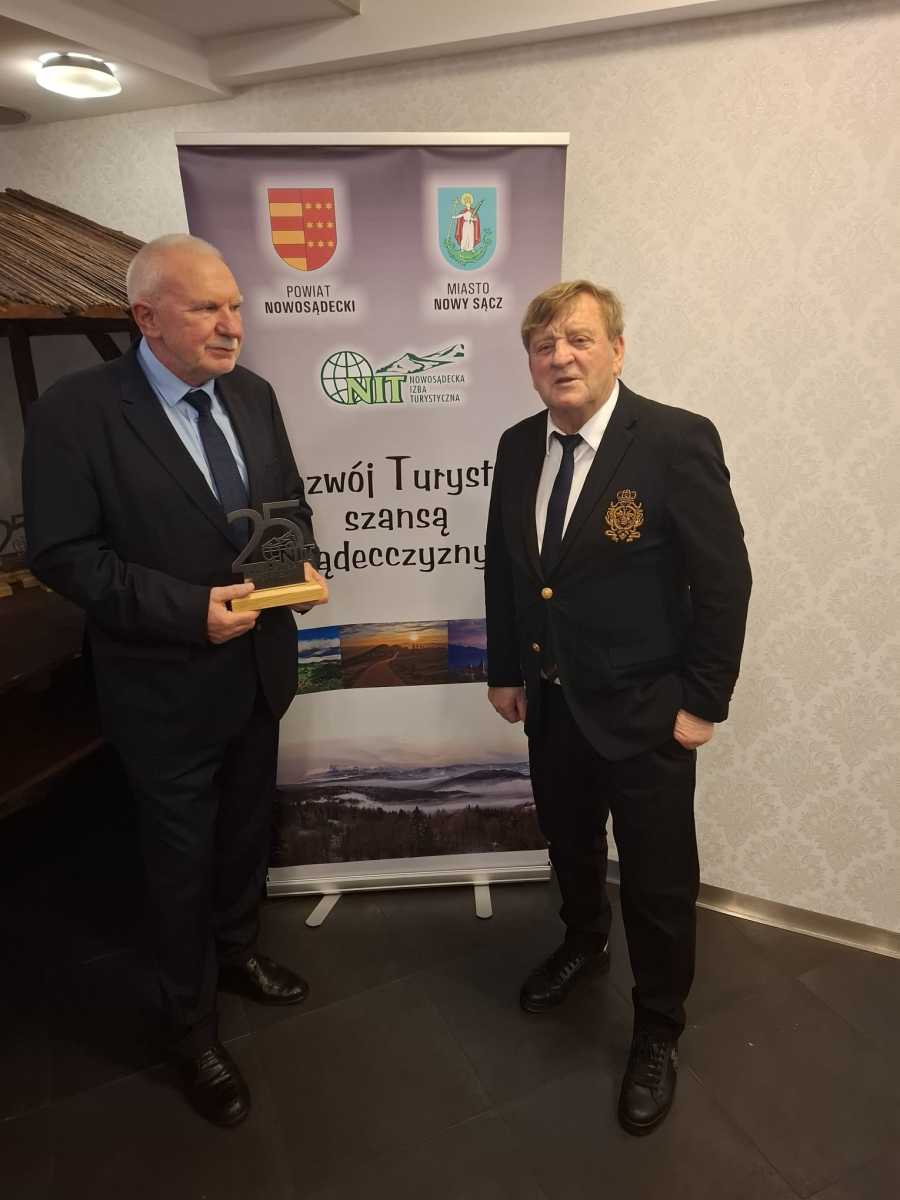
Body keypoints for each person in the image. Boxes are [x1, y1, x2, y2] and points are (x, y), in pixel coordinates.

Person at [23, 234, 327, 1128]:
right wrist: (188, 610)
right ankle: (189, 1029)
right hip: (161, 688)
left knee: (243, 835)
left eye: (235, 306)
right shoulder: (76, 412)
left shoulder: (254, 394)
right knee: (178, 866)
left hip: (258, 672)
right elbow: (64, 554)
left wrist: (293, 568)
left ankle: (237, 953)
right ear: (147, 318)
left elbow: (286, 505)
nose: (232, 325)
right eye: (207, 309)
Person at [485, 280, 751, 1135]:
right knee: (569, 845)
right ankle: (582, 942)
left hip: (647, 714)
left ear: (618, 349)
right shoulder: (518, 446)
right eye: (543, 345)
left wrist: (702, 702)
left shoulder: (674, 440)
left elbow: (724, 580)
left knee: (659, 884)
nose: (560, 357)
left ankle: (658, 1028)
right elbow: (507, 569)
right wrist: (505, 669)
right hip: (553, 704)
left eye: (579, 339)